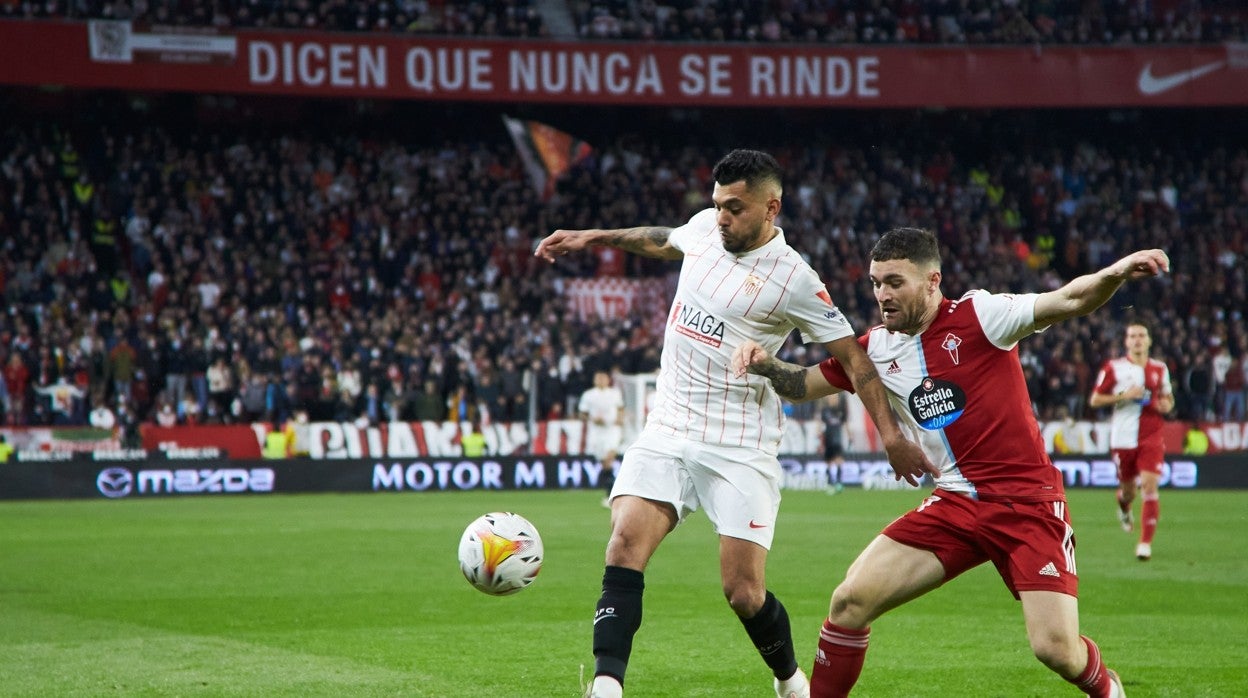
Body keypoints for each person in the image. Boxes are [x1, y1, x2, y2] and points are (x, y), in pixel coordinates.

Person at [535, 150, 935, 698]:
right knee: (624, 543)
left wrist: (892, 437)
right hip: (669, 427)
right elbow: (661, 238)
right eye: (718, 204)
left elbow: (855, 359)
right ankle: (607, 685)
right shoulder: (704, 228)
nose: (721, 217)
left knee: (743, 591)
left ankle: (790, 679)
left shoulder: (795, 279)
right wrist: (592, 237)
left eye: (735, 208)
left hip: (739, 443)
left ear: (771, 207)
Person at [733, 227, 1167, 698]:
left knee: (1055, 649)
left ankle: (1107, 687)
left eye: (895, 282)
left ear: (933, 281)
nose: (882, 295)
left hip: (1026, 504)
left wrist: (1116, 271)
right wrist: (764, 363)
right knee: (849, 602)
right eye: (876, 283)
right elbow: (804, 383)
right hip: (955, 503)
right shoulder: (876, 347)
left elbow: (1067, 300)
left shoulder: (983, 315)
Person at [1088, 322, 1175, 561]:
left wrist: (1167, 404)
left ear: (1149, 341)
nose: (1137, 339)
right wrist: (1124, 396)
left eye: (1142, 335)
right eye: (1133, 336)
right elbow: (1095, 400)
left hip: (1152, 436)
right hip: (1123, 438)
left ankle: (1145, 543)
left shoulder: (1160, 368)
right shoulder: (1113, 368)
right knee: (1128, 492)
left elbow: (1168, 398)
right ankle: (1124, 506)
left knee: (1149, 485)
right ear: (1126, 342)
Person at [578, 370, 626, 507]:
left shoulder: (614, 393)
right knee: (605, 463)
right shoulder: (588, 395)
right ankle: (610, 493)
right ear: (594, 380)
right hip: (596, 432)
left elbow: (621, 408)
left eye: (603, 378)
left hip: (612, 430)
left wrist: (619, 420)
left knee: (610, 457)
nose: (600, 380)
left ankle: (613, 495)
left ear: (607, 379)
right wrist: (593, 419)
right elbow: (582, 414)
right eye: (598, 378)